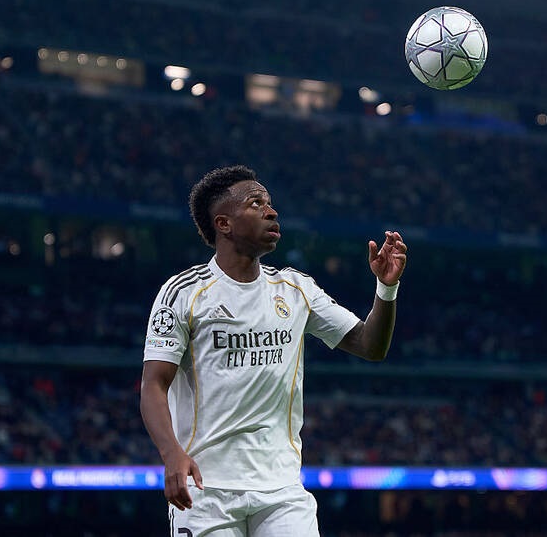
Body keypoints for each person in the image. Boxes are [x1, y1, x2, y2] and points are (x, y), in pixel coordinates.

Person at [140, 165, 407, 536]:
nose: (271, 211)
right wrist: (171, 453)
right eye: (255, 203)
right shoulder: (183, 293)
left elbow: (369, 345)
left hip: (282, 490)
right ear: (223, 224)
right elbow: (153, 384)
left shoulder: (296, 290)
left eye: (269, 202)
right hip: (206, 488)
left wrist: (386, 289)